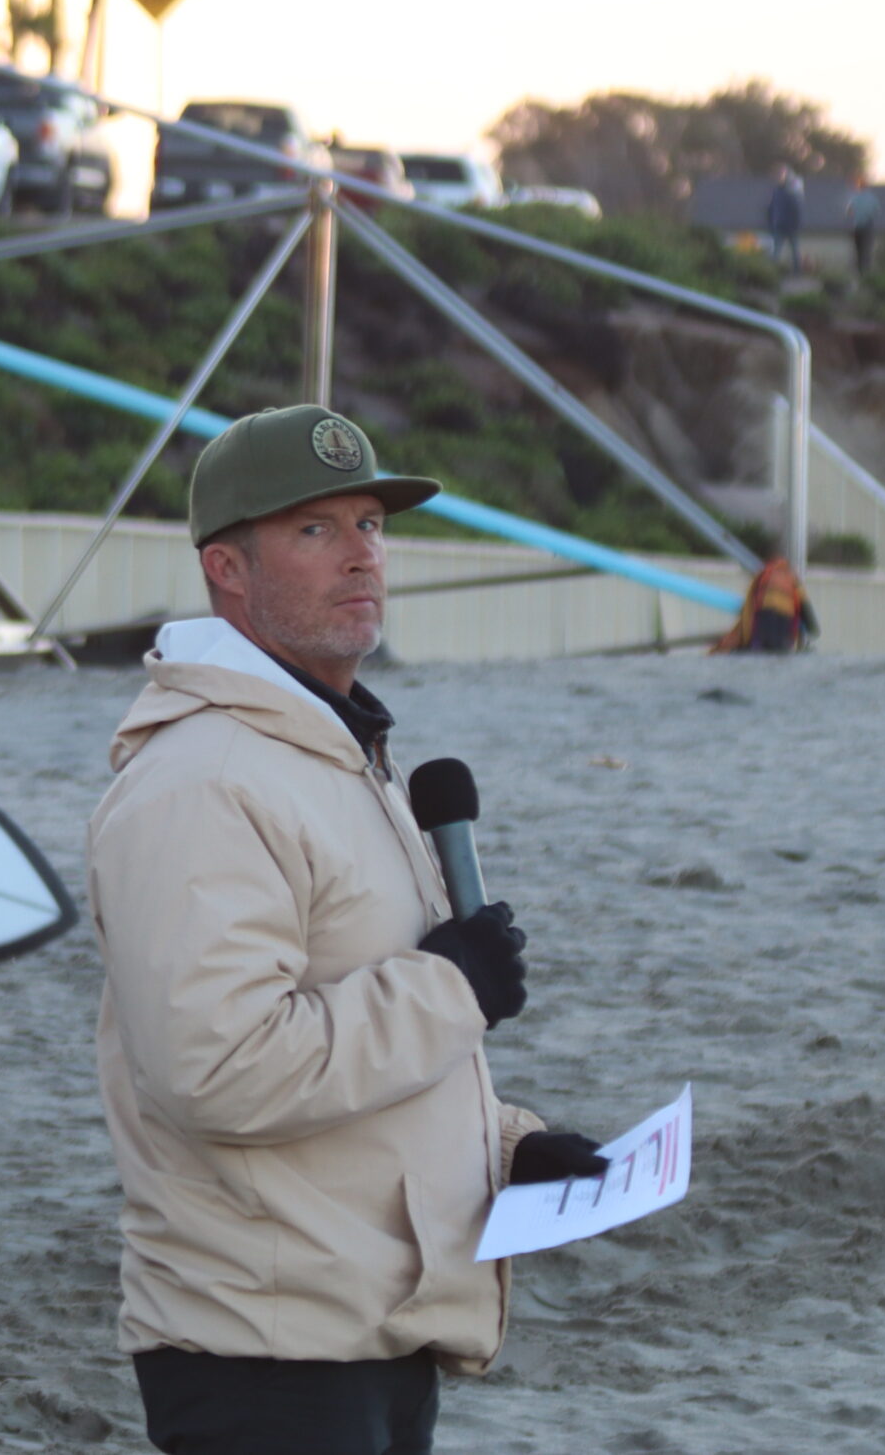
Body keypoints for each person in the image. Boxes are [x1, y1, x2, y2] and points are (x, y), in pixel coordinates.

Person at [86, 404, 608, 1455]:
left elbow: (352, 1012)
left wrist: (507, 1147)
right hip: (264, 1355)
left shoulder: (327, 754)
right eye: (315, 531)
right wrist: (449, 989)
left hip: (363, 1326)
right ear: (225, 569)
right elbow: (221, 1067)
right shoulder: (203, 781)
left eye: (370, 523)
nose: (361, 554)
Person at [766, 164, 805, 274]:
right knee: (779, 250)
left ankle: (796, 271)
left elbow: (795, 210)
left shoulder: (788, 192)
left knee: (791, 250)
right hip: (781, 226)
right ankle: (772, 271)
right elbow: (770, 209)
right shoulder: (778, 192)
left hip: (787, 226)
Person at [846, 176, 882, 276]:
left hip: (857, 227)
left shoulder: (855, 198)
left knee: (858, 250)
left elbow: (849, 211)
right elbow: (877, 212)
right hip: (868, 227)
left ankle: (859, 271)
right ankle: (866, 272)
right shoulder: (872, 198)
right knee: (867, 249)